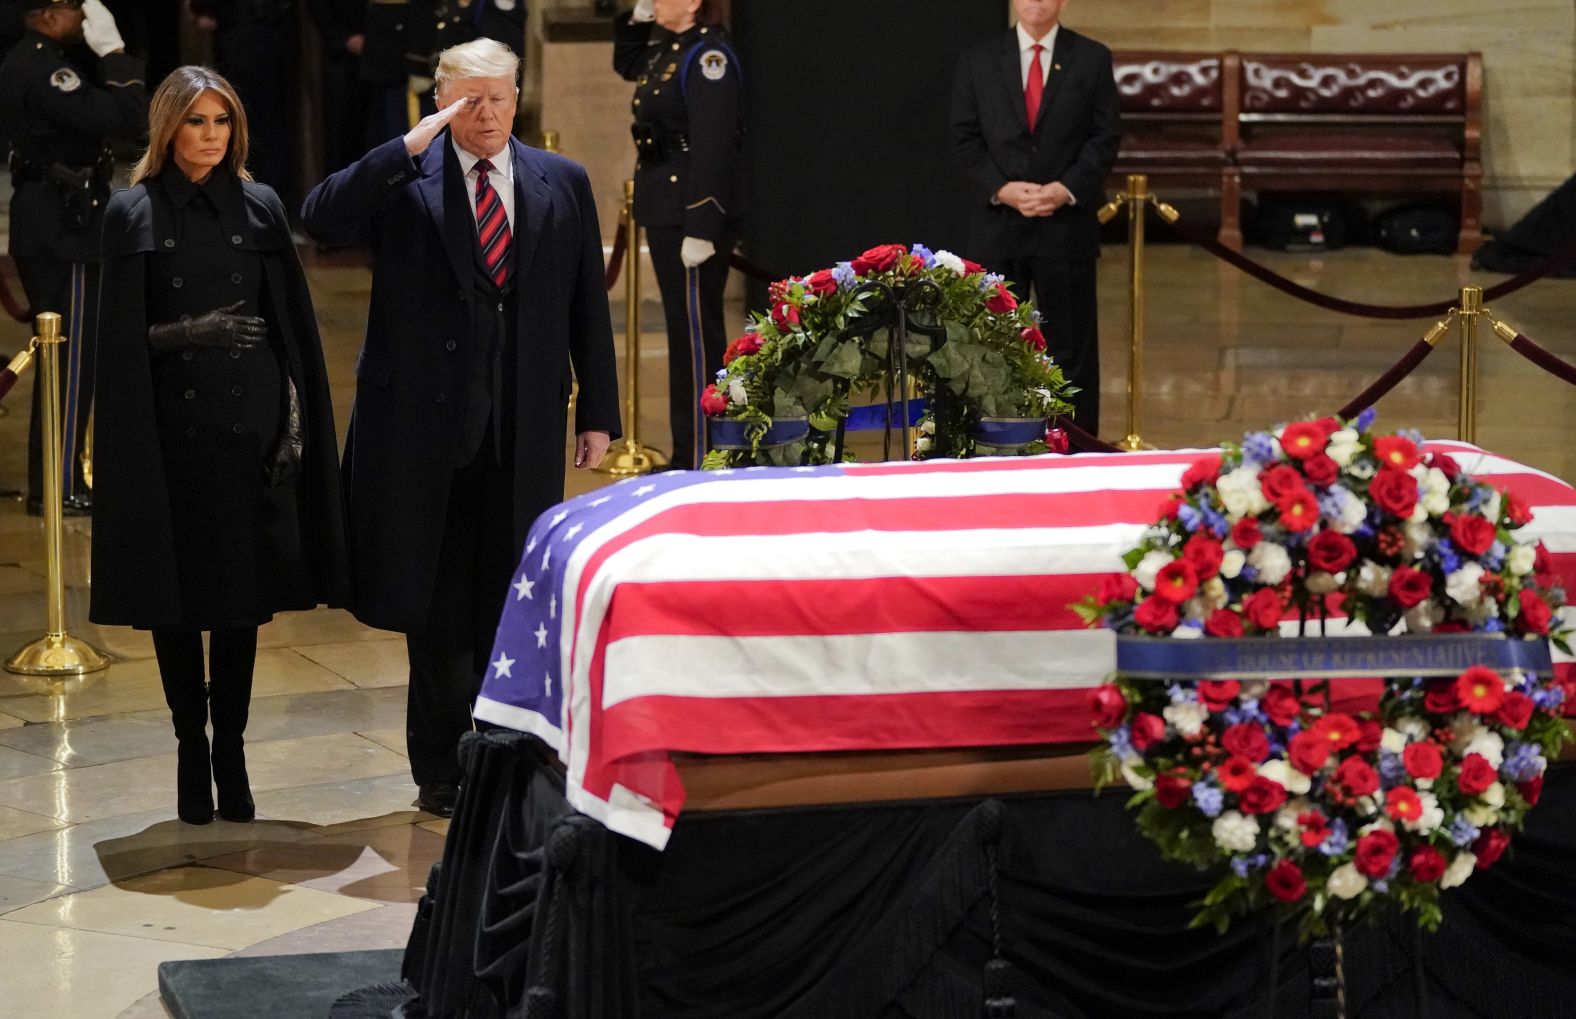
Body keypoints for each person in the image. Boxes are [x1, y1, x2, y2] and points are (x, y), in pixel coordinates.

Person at [301, 38, 621, 817]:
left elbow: (586, 304)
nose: (487, 114)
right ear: (442, 102)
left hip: (523, 423)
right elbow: (320, 218)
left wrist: (601, 416)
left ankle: (509, 751)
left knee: (509, 594)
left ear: (519, 99)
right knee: (436, 603)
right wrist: (406, 145)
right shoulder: (406, 175)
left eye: (500, 98)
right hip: (423, 427)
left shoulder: (562, 181)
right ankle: (442, 766)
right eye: (470, 100)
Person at [89, 66, 350, 825]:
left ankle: (230, 746)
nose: (210, 136)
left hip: (249, 433)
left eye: (222, 122)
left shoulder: (260, 206)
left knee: (242, 604)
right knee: (178, 604)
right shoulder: (131, 212)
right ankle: (188, 746)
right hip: (172, 438)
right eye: (197, 121)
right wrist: (186, 332)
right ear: (168, 127)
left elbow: (296, 337)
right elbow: (116, 344)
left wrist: (293, 427)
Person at [0, 0, 146, 514]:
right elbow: (124, 115)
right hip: (64, 227)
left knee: (66, 359)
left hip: (51, 219)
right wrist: (116, 53)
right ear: (43, 14)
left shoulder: (33, 59)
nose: (79, 19)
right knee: (71, 359)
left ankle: (57, 481)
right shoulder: (45, 68)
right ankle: (58, 485)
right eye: (69, 8)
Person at [951, 0, 1119, 434]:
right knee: (992, 342)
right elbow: (964, 137)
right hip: (998, 223)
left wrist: (1066, 189)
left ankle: (1076, 442)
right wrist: (1001, 189)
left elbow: (1104, 137)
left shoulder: (1092, 58)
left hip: (1065, 224)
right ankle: (991, 439)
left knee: (1071, 346)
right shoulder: (979, 59)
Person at [614, 0, 742, 470]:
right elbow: (625, 62)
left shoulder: (709, 57)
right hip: (666, 205)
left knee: (695, 340)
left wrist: (703, 222)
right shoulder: (668, 48)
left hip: (690, 211)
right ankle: (690, 450)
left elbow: (714, 143)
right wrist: (639, 16)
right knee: (681, 334)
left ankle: (701, 456)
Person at [305, 0, 370, 177]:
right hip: (343, 58)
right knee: (341, 136)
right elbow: (318, 8)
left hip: (384, 59)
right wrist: (344, 39)